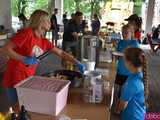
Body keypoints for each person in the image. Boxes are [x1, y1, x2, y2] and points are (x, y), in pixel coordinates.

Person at [1, 10, 85, 107]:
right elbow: (5, 49)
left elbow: (60, 52)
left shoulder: (43, 41)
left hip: (28, 77)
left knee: (26, 107)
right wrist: (23, 59)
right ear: (40, 21)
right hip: (15, 76)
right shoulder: (27, 33)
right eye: (48, 20)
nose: (51, 23)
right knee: (18, 108)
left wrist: (76, 62)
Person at [115, 47, 148, 120]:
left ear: (129, 63)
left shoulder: (132, 82)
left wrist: (117, 108)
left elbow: (122, 106)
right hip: (139, 114)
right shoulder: (137, 74)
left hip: (132, 117)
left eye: (124, 60)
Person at [115, 24, 139, 89]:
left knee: (127, 89)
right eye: (123, 32)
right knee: (121, 87)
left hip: (130, 71)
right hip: (121, 69)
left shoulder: (134, 43)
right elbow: (116, 55)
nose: (124, 34)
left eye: (126, 32)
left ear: (131, 33)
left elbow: (137, 57)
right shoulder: (120, 42)